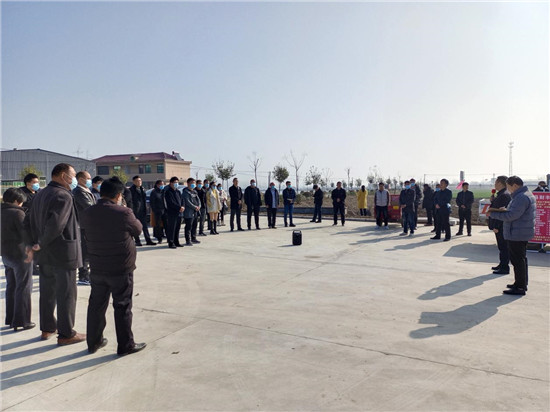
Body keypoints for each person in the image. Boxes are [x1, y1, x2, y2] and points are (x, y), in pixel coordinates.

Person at [80, 177, 146, 356]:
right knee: (122, 306)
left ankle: (94, 342)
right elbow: (138, 229)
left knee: (96, 305)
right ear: (118, 195)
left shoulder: (88, 212)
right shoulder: (123, 212)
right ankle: (125, 345)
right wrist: (124, 208)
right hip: (120, 267)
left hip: (97, 266)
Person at [26, 163, 85, 345]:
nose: (74, 179)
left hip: (45, 254)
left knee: (47, 292)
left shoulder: (41, 194)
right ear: (63, 175)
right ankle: (66, 333)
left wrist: (35, 244)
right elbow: (56, 224)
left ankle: (48, 328)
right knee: (66, 294)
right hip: (63, 253)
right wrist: (42, 242)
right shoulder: (63, 195)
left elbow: (28, 221)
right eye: (72, 175)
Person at [487, 176, 536, 295]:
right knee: (520, 259)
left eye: (508, 186)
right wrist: (505, 209)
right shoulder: (524, 194)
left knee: (518, 261)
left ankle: (520, 287)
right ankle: (520, 283)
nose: (508, 189)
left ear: (514, 185)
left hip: (517, 233)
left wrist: (493, 214)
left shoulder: (521, 197)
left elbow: (512, 216)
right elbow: (515, 212)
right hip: (520, 231)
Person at [1, 188, 34, 331]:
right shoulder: (17, 213)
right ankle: (22, 320)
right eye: (21, 202)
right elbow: (25, 234)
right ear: (16, 201)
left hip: (6, 254)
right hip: (21, 254)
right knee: (24, 287)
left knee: (11, 286)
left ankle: (11, 318)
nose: (21, 204)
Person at [73, 170, 97, 286]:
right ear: (81, 179)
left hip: (89, 224)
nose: (90, 180)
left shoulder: (87, 190)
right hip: (83, 225)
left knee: (89, 250)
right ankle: (83, 275)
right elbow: (89, 206)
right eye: (88, 178)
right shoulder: (78, 191)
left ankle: (87, 274)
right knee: (85, 251)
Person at [488, 176, 512, 275]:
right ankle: (502, 264)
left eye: (496, 182)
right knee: (501, 247)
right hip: (499, 225)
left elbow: (502, 212)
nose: (495, 184)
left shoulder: (504, 195)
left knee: (503, 247)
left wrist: (496, 226)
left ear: (500, 183)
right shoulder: (501, 194)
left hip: (500, 226)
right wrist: (493, 201)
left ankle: (504, 267)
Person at [130, 176, 156, 246]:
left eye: (140, 181)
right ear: (134, 182)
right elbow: (130, 201)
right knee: (136, 227)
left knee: (145, 227)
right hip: (135, 211)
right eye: (137, 181)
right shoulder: (131, 190)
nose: (139, 182)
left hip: (143, 210)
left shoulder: (142, 189)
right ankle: (137, 241)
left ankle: (148, 240)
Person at [164, 177, 184, 248]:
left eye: (177, 182)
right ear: (171, 183)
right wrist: (179, 207)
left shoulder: (178, 192)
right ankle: (171, 242)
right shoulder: (168, 192)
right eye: (175, 182)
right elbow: (171, 202)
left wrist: (183, 206)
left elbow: (182, 200)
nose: (176, 184)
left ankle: (176, 242)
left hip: (179, 212)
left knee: (177, 228)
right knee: (172, 228)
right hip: (172, 213)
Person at [182, 178, 201, 246]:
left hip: (195, 211)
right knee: (188, 226)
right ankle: (188, 240)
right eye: (192, 183)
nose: (193, 184)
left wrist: (199, 206)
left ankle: (193, 238)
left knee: (194, 225)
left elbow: (198, 200)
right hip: (189, 212)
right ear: (188, 183)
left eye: (194, 183)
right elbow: (187, 202)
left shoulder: (194, 192)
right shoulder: (185, 192)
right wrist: (195, 207)